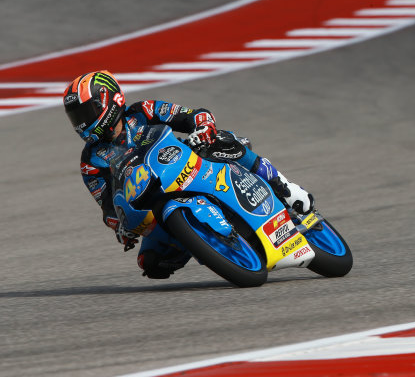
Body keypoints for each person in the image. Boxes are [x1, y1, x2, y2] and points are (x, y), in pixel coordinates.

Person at [63, 70, 313, 279]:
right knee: (151, 264)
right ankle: (205, 241)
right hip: (152, 203)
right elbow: (107, 206)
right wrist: (120, 228)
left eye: (86, 113)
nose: (81, 123)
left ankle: (286, 188)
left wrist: (203, 125)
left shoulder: (143, 111)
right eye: (76, 118)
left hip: (188, 163)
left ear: (110, 101)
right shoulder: (91, 161)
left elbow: (190, 115)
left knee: (222, 140)